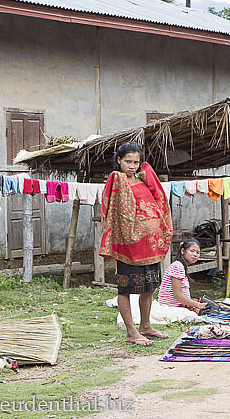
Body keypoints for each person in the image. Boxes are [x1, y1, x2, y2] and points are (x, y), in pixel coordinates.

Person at [100, 142, 173, 346]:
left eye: (136, 162)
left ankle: (146, 326)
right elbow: (110, 209)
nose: (132, 166)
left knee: (149, 287)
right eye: (128, 161)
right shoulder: (117, 180)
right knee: (125, 289)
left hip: (149, 247)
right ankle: (131, 332)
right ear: (119, 161)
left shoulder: (142, 179)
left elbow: (158, 197)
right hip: (128, 246)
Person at [158, 238, 204, 311]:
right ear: (183, 251)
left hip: (179, 306)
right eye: (192, 251)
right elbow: (177, 295)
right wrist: (198, 305)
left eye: (198, 252)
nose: (195, 255)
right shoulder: (177, 266)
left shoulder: (181, 266)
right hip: (172, 308)